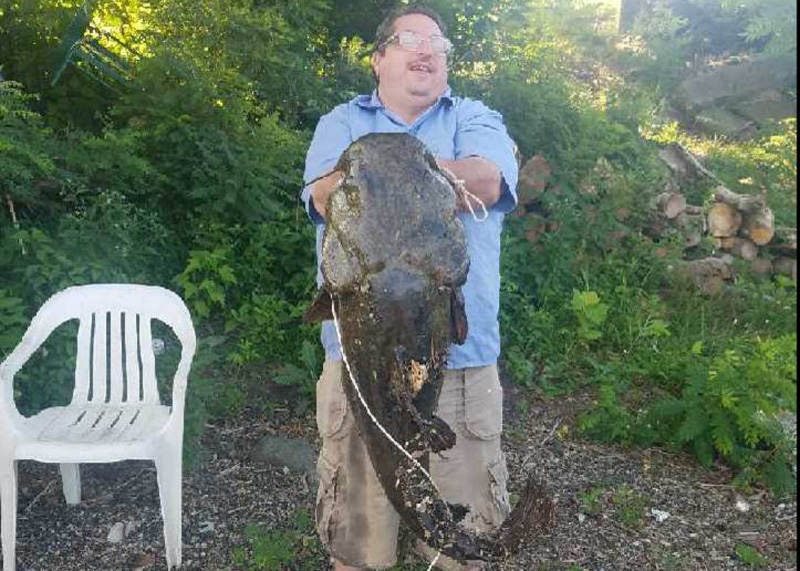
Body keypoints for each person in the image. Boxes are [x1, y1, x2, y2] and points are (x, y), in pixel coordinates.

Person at [301, 4, 519, 570]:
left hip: (463, 361)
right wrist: (406, 175)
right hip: (358, 364)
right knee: (358, 541)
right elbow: (322, 195)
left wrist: (394, 171)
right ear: (378, 60)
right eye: (408, 38)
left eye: (438, 43)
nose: (426, 49)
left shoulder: (474, 117)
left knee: (460, 551)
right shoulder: (342, 121)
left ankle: (460, 546)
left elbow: (489, 180)